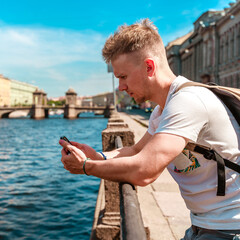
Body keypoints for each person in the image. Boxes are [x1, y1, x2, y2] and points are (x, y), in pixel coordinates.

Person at [59, 19, 240, 239]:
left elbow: (145, 170)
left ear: (149, 67)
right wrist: (97, 156)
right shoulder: (161, 110)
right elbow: (136, 151)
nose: (121, 87)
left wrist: (87, 167)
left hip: (229, 228)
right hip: (203, 224)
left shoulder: (188, 102)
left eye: (123, 77)